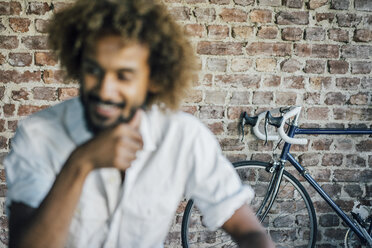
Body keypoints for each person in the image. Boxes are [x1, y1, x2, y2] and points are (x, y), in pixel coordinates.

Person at [4, 0, 274, 247]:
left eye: (124, 76)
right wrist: (80, 163)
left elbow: (249, 231)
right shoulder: (38, 134)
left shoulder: (183, 137)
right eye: (93, 70)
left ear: (153, 80)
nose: (105, 90)